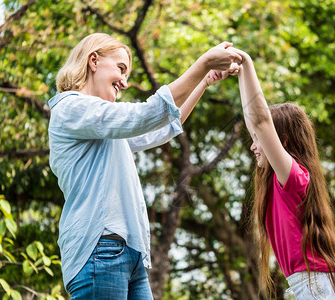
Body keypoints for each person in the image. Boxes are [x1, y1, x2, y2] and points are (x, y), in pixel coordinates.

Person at [48, 32, 241, 299]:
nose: (125, 82)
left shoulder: (104, 126)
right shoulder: (71, 108)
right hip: (99, 251)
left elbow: (159, 128)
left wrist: (203, 82)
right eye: (121, 68)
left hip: (129, 255)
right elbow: (145, 115)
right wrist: (204, 62)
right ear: (93, 61)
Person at [231, 48, 335, 299]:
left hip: (318, 288)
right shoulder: (281, 181)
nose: (252, 146)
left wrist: (247, 60)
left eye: (259, 141)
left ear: (285, 141)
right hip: (312, 287)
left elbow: (261, 122)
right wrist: (240, 72)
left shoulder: (294, 180)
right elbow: (254, 121)